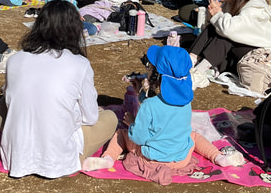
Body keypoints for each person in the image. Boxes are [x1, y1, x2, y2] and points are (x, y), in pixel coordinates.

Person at [82, 45, 244, 181]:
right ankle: (218, 157)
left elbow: (138, 137)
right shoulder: (186, 102)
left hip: (151, 158)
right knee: (193, 136)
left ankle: (108, 159)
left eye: (151, 67)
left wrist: (132, 124)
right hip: (181, 158)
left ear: (157, 75)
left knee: (121, 134)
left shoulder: (149, 105)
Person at [0, 0, 118, 178]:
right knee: (110, 117)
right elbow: (90, 117)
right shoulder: (79, 64)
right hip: (59, 157)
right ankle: (79, 155)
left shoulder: (15, 59)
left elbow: (11, 101)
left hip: (17, 156)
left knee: (1, 104)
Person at [188, 0, 271, 88]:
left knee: (225, 35)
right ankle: (190, 61)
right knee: (215, 27)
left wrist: (217, 14)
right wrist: (211, 15)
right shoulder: (231, 3)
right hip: (243, 51)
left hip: (262, 56)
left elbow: (229, 30)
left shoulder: (254, 9)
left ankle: (198, 72)